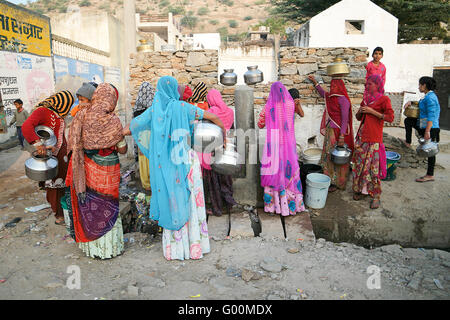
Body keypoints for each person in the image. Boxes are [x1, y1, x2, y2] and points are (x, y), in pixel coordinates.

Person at [126, 76, 226, 261]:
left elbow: (133, 127)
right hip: (186, 162)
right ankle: (195, 246)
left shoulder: (153, 111)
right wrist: (224, 135)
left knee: (170, 198)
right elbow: (213, 117)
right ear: (173, 90)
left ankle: (175, 249)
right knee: (190, 199)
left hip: (164, 165)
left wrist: (108, 134)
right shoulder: (183, 108)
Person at [65, 83, 127, 259]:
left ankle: (93, 249)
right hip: (109, 173)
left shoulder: (82, 115)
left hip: (88, 170)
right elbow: (122, 150)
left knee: (90, 206)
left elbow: (74, 142)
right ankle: (110, 249)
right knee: (109, 205)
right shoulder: (113, 120)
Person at [22, 91, 75, 225]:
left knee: (62, 185)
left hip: (61, 156)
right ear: (62, 104)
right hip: (51, 156)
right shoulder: (43, 111)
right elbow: (27, 126)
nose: (68, 109)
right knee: (54, 186)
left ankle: (63, 210)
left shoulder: (58, 113)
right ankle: (58, 215)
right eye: (68, 105)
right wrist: (38, 144)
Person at [258, 82, 306, 216]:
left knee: (275, 173)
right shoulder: (291, 105)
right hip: (288, 146)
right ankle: (292, 206)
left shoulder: (268, 107)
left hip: (273, 146)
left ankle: (275, 206)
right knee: (289, 172)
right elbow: (299, 113)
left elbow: (260, 124)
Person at [352, 75, 394, 209]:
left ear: (377, 85)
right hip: (361, 137)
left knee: (373, 169)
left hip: (374, 139)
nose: (367, 86)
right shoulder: (365, 100)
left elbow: (390, 118)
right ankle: (361, 190)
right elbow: (359, 118)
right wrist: (360, 111)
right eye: (366, 84)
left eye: (370, 84)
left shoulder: (384, 99)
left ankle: (376, 196)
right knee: (359, 166)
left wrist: (372, 111)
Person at [308, 74, 354, 192]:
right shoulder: (331, 98)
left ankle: (339, 182)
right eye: (331, 85)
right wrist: (315, 82)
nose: (332, 87)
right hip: (330, 132)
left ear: (339, 86)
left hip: (339, 133)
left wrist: (342, 136)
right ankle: (329, 180)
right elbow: (323, 93)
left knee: (338, 157)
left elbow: (345, 119)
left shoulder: (343, 100)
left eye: (334, 85)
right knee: (330, 156)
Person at [202, 89, 237, 216]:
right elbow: (232, 130)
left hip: (213, 148)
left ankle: (217, 209)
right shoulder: (230, 111)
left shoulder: (210, 112)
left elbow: (206, 131)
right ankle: (229, 204)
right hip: (227, 147)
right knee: (226, 177)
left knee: (214, 180)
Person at [404, 77, 440, 183]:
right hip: (423, 124)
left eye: (420, 85)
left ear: (424, 85)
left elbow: (432, 116)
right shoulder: (427, 96)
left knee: (430, 151)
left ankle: (430, 174)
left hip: (431, 127)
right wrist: (410, 102)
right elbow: (420, 104)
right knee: (408, 121)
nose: (419, 87)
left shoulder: (431, 98)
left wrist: (427, 131)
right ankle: (408, 141)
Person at [132, 81, 155, 191]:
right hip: (151, 142)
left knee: (143, 162)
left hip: (141, 142)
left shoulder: (136, 110)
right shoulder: (154, 110)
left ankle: (146, 185)